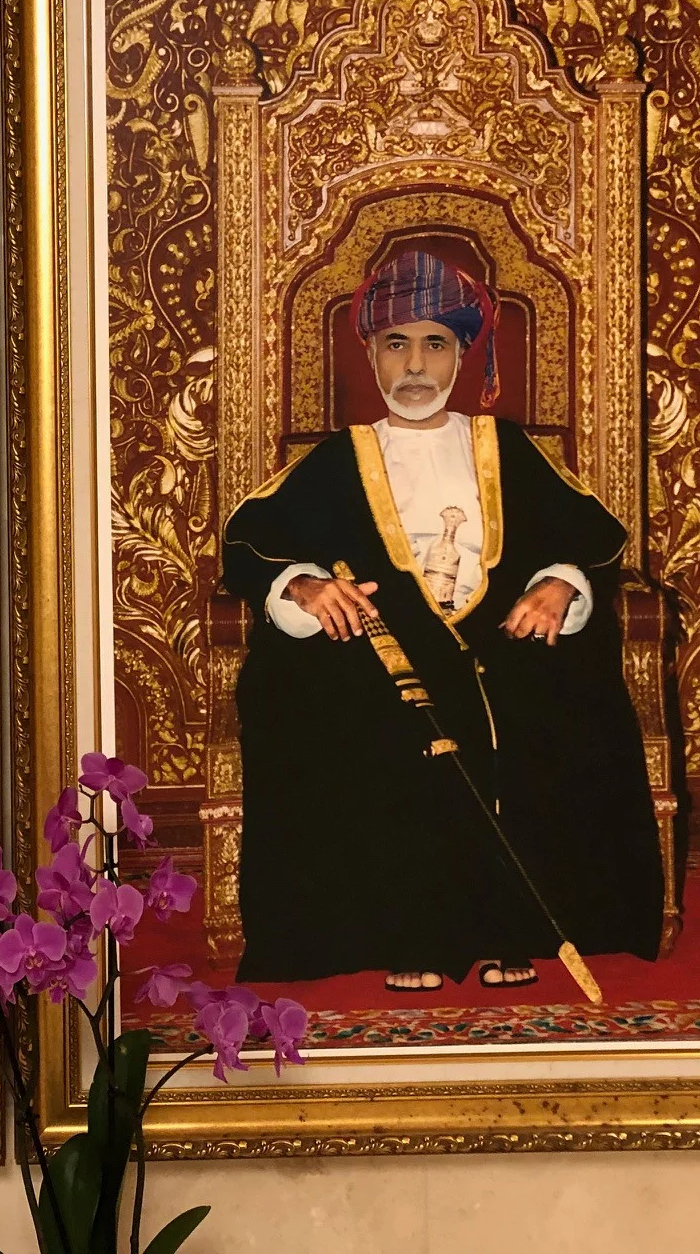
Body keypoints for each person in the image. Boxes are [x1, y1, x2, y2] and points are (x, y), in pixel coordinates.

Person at [220, 248, 663, 991]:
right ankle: (408, 932)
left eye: (435, 343)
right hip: (386, 660)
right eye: (396, 343)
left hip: (500, 650)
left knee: (551, 702)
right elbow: (251, 544)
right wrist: (303, 588)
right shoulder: (339, 459)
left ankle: (515, 928)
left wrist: (559, 585)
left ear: (463, 355)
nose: (416, 365)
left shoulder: (504, 448)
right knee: (343, 711)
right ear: (370, 353)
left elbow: (588, 540)